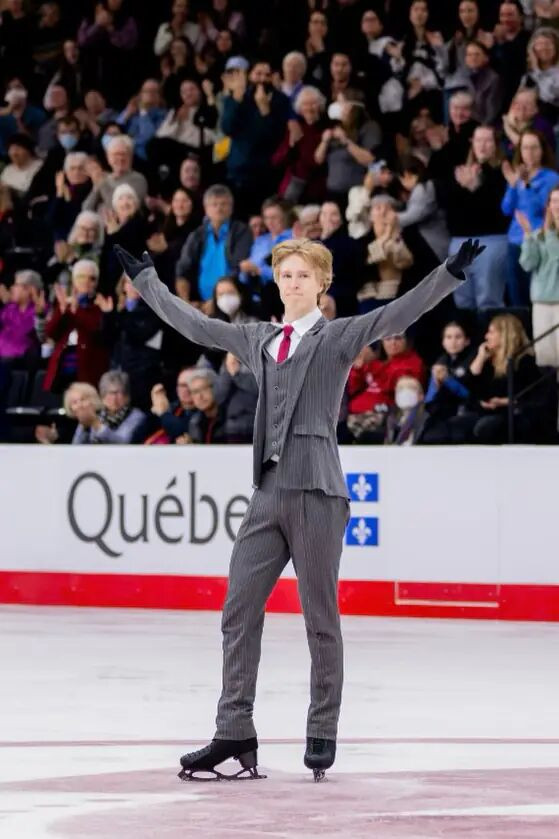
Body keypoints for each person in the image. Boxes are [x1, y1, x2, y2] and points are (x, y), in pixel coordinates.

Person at [113, 235, 483, 782]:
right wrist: (148, 282)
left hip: (317, 493)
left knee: (320, 619)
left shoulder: (339, 336)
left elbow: (399, 312)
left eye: (303, 275)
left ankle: (322, 727)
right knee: (238, 610)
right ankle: (234, 727)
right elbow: (194, 325)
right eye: (285, 275)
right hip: (267, 495)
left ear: (322, 284)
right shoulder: (258, 338)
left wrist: (449, 273)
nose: (292, 283)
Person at [446, 125, 509, 310]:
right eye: (478, 140)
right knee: (462, 301)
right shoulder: (460, 172)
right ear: (472, 143)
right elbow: (451, 210)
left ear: (495, 144)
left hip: (491, 240)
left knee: (488, 299)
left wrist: (474, 187)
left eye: (487, 140)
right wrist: (464, 187)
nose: (482, 145)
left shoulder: (502, 173)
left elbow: (499, 210)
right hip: (460, 241)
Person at [460, 314, 542, 443]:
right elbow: (468, 386)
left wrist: (503, 401)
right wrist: (480, 358)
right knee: (452, 425)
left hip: (511, 415)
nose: (486, 336)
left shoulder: (524, 362)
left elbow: (533, 397)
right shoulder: (487, 360)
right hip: (484, 411)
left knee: (485, 427)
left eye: (491, 332)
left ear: (505, 335)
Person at [501, 129, 559, 306]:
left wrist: (526, 185)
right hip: (515, 240)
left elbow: (542, 207)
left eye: (534, 147)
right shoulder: (517, 177)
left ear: (542, 150)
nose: (529, 153)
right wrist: (513, 185)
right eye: (525, 148)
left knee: (535, 291)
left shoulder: (551, 178)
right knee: (516, 294)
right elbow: (506, 209)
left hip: (538, 239)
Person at [175, 184, 252, 302]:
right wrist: (186, 304)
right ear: (206, 209)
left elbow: (238, 270)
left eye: (224, 204)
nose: (219, 208)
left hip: (232, 299)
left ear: (231, 208)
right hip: (199, 302)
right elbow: (182, 270)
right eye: (214, 204)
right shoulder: (197, 235)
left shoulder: (241, 231)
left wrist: (215, 302)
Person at [519, 185, 559, 366]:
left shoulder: (547, 236)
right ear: (549, 205)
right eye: (554, 201)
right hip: (541, 302)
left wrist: (550, 233)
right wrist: (528, 236)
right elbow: (528, 264)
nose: (557, 205)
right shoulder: (538, 236)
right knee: (545, 356)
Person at [420, 320, 475, 444]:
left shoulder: (472, 359)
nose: (453, 342)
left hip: (464, 411)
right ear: (443, 342)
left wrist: (447, 380)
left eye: (458, 337)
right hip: (441, 413)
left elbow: (469, 395)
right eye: (449, 337)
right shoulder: (441, 362)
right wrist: (436, 383)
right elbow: (429, 399)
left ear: (467, 341)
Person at [72, 370, 145, 443]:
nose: (114, 399)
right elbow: (76, 446)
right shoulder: (97, 413)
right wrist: (84, 427)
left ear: (126, 396)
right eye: (109, 393)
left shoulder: (136, 415)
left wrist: (97, 424)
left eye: (117, 393)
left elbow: (123, 442)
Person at [82, 134, 148, 213]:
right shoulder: (105, 178)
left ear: (131, 157)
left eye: (123, 154)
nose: (120, 158)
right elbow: (86, 209)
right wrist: (96, 187)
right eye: (116, 154)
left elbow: (120, 209)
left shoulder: (138, 179)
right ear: (108, 158)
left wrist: (102, 184)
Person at [143, 369, 195, 444]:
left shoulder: (201, 409)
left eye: (189, 385)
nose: (186, 390)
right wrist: (155, 407)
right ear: (177, 389)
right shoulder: (174, 406)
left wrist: (163, 413)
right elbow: (140, 433)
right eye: (182, 385)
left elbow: (182, 431)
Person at [384, 374, 427, 445]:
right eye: (400, 389)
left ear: (421, 396)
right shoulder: (390, 419)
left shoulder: (427, 420)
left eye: (411, 388)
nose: (405, 392)